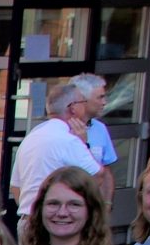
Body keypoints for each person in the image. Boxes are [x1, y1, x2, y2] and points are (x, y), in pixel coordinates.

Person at [9, 78, 105, 224]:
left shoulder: (32, 136)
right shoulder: (69, 139)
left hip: (27, 221)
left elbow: (16, 186)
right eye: (83, 102)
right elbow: (97, 176)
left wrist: (33, 212)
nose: (85, 106)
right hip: (55, 223)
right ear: (73, 108)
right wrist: (84, 144)